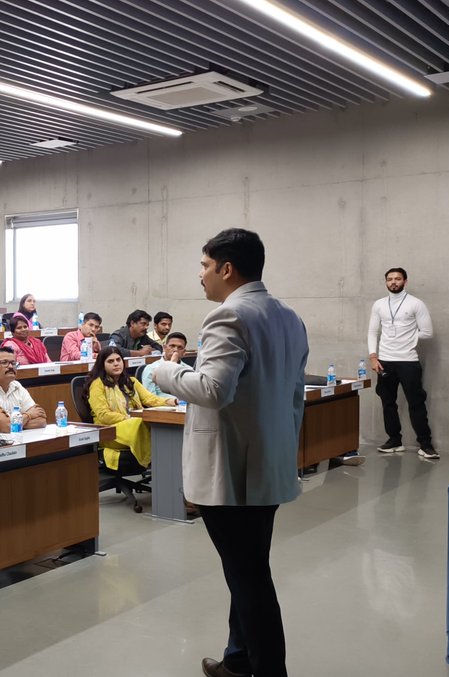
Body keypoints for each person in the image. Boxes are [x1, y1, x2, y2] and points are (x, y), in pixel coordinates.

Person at [151, 228, 308, 677]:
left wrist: (165, 369)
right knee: (249, 567)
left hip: (231, 474)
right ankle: (237, 662)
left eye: (204, 266)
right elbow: (295, 395)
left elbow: (213, 390)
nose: (200, 275)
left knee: (249, 578)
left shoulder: (228, 316)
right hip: (268, 465)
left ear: (226, 268)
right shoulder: (289, 317)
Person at [368, 266, 436, 459]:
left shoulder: (415, 304)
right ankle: (394, 440)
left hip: (408, 361)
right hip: (385, 361)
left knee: (416, 403)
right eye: (389, 279)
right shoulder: (379, 304)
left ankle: (425, 444)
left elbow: (428, 332)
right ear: (386, 282)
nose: (393, 282)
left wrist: (409, 339)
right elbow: (373, 332)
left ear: (405, 281)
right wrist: (374, 356)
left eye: (397, 279)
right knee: (387, 402)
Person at [86, 346, 175, 471]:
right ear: (102, 365)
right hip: (109, 430)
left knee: (154, 420)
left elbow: (151, 399)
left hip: (132, 424)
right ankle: (160, 464)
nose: (116, 364)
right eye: (110, 361)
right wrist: (129, 418)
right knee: (141, 421)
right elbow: (103, 415)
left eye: (118, 360)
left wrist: (173, 401)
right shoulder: (97, 384)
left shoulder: (130, 381)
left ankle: (165, 464)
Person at [0, 346, 47, 435]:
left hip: (12, 440)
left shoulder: (16, 386)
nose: (10, 366)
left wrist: (13, 423)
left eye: (13, 363)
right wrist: (28, 415)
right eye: (4, 363)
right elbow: (7, 427)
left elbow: (41, 421)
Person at [141, 332, 187, 398]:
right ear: (164, 348)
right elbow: (150, 398)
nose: (175, 350)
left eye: (180, 347)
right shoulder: (151, 369)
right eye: (172, 346)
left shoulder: (188, 370)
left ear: (184, 352)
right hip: (161, 407)